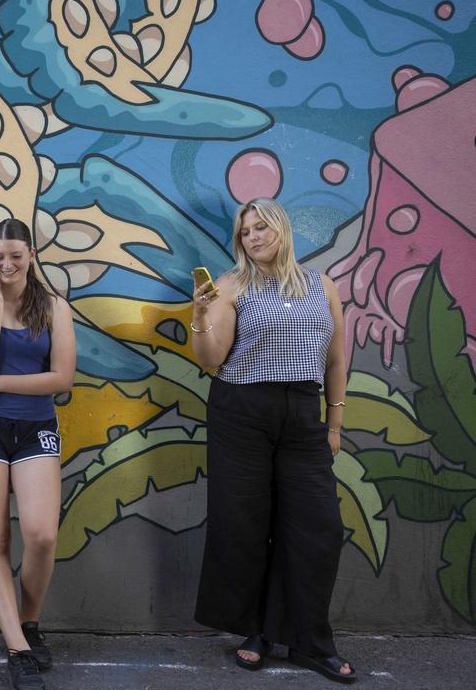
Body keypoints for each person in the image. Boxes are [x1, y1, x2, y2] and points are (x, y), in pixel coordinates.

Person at [191, 198, 355, 683]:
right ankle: (257, 632)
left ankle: (311, 642)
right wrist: (200, 316)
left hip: (303, 416)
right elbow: (210, 359)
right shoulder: (230, 285)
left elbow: (336, 360)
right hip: (241, 413)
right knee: (244, 527)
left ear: (281, 229)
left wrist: (334, 425)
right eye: (246, 232)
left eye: (262, 227)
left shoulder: (321, 285)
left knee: (318, 530)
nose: (255, 237)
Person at [0, 218, 76, 690]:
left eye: (15, 255)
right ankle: (18, 649)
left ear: (31, 254)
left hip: (35, 427)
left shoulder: (54, 307)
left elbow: (62, 378)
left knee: (42, 535)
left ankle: (29, 621)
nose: (6, 264)